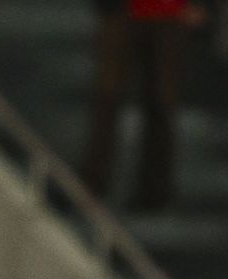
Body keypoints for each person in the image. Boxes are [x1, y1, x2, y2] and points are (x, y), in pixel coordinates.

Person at [81, 0, 193, 210]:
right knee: (107, 96)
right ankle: (91, 182)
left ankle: (156, 190)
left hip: (168, 14)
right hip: (121, 12)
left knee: (161, 103)